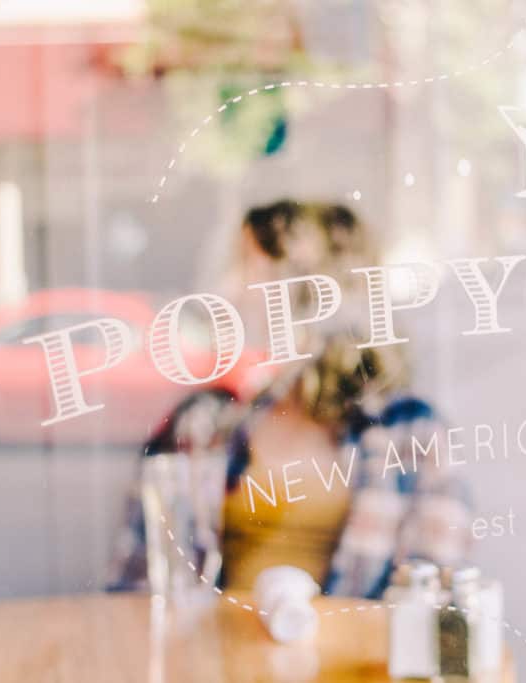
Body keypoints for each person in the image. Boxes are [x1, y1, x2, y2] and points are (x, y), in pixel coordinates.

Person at [109, 200, 470, 598]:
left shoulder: (411, 433)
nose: (226, 288)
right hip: (215, 656)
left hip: (352, 659)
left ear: (305, 287)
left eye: (248, 267)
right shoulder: (204, 422)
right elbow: (136, 584)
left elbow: (436, 599)